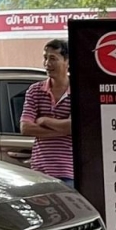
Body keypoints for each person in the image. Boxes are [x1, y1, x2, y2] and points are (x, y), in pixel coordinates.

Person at [21, 38, 73, 185]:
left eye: (53, 59)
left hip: (69, 172)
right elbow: (25, 127)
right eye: (45, 58)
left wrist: (44, 120)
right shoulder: (35, 90)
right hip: (39, 172)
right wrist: (64, 130)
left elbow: (74, 127)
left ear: (67, 61)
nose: (47, 64)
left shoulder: (80, 90)